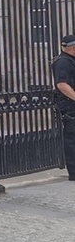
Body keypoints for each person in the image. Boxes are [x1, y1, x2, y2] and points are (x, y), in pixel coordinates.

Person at [51, 34, 75, 181]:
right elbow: (62, 84)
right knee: (72, 139)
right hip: (70, 106)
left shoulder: (70, 61)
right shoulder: (63, 62)